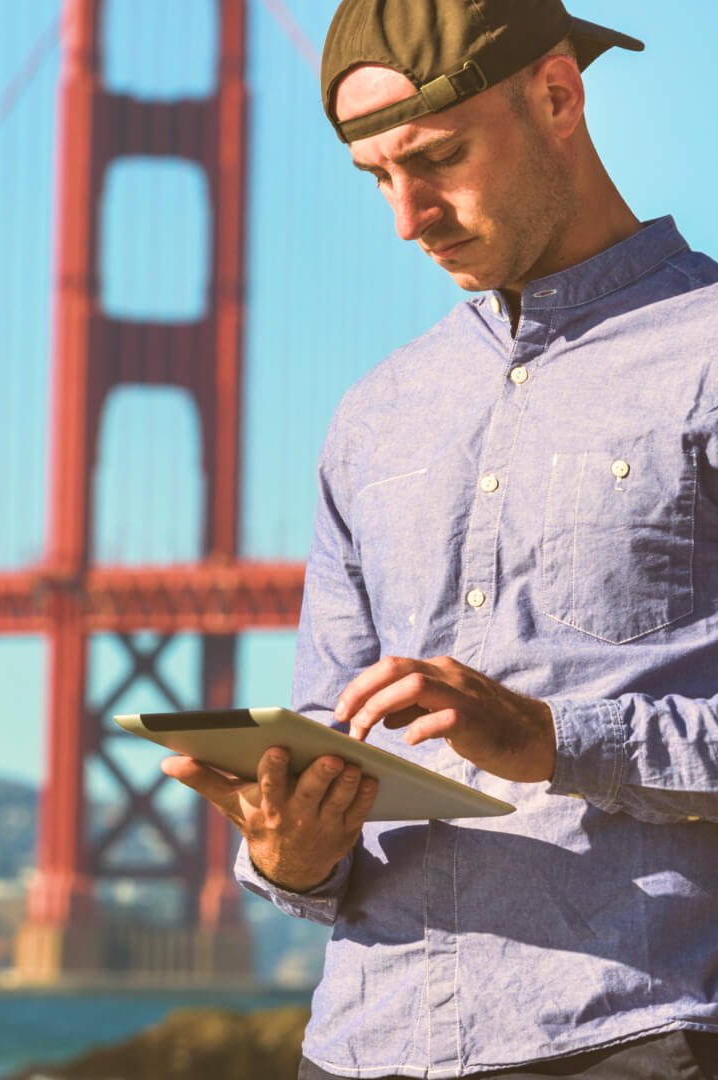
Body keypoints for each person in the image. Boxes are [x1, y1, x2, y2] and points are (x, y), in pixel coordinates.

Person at [159, 1, 718, 1076]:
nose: (407, 218)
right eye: (376, 177)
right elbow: (328, 748)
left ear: (557, 96)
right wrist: (291, 853)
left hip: (638, 1033)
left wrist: (552, 739)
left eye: (437, 158)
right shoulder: (374, 416)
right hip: (363, 1042)